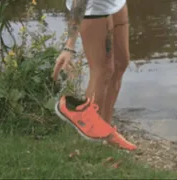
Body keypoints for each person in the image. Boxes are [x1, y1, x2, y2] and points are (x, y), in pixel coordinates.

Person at [52, 0, 136, 151]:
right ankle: (90, 130)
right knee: (102, 71)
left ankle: (105, 128)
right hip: (94, 8)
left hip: (115, 3)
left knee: (120, 63)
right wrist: (70, 45)